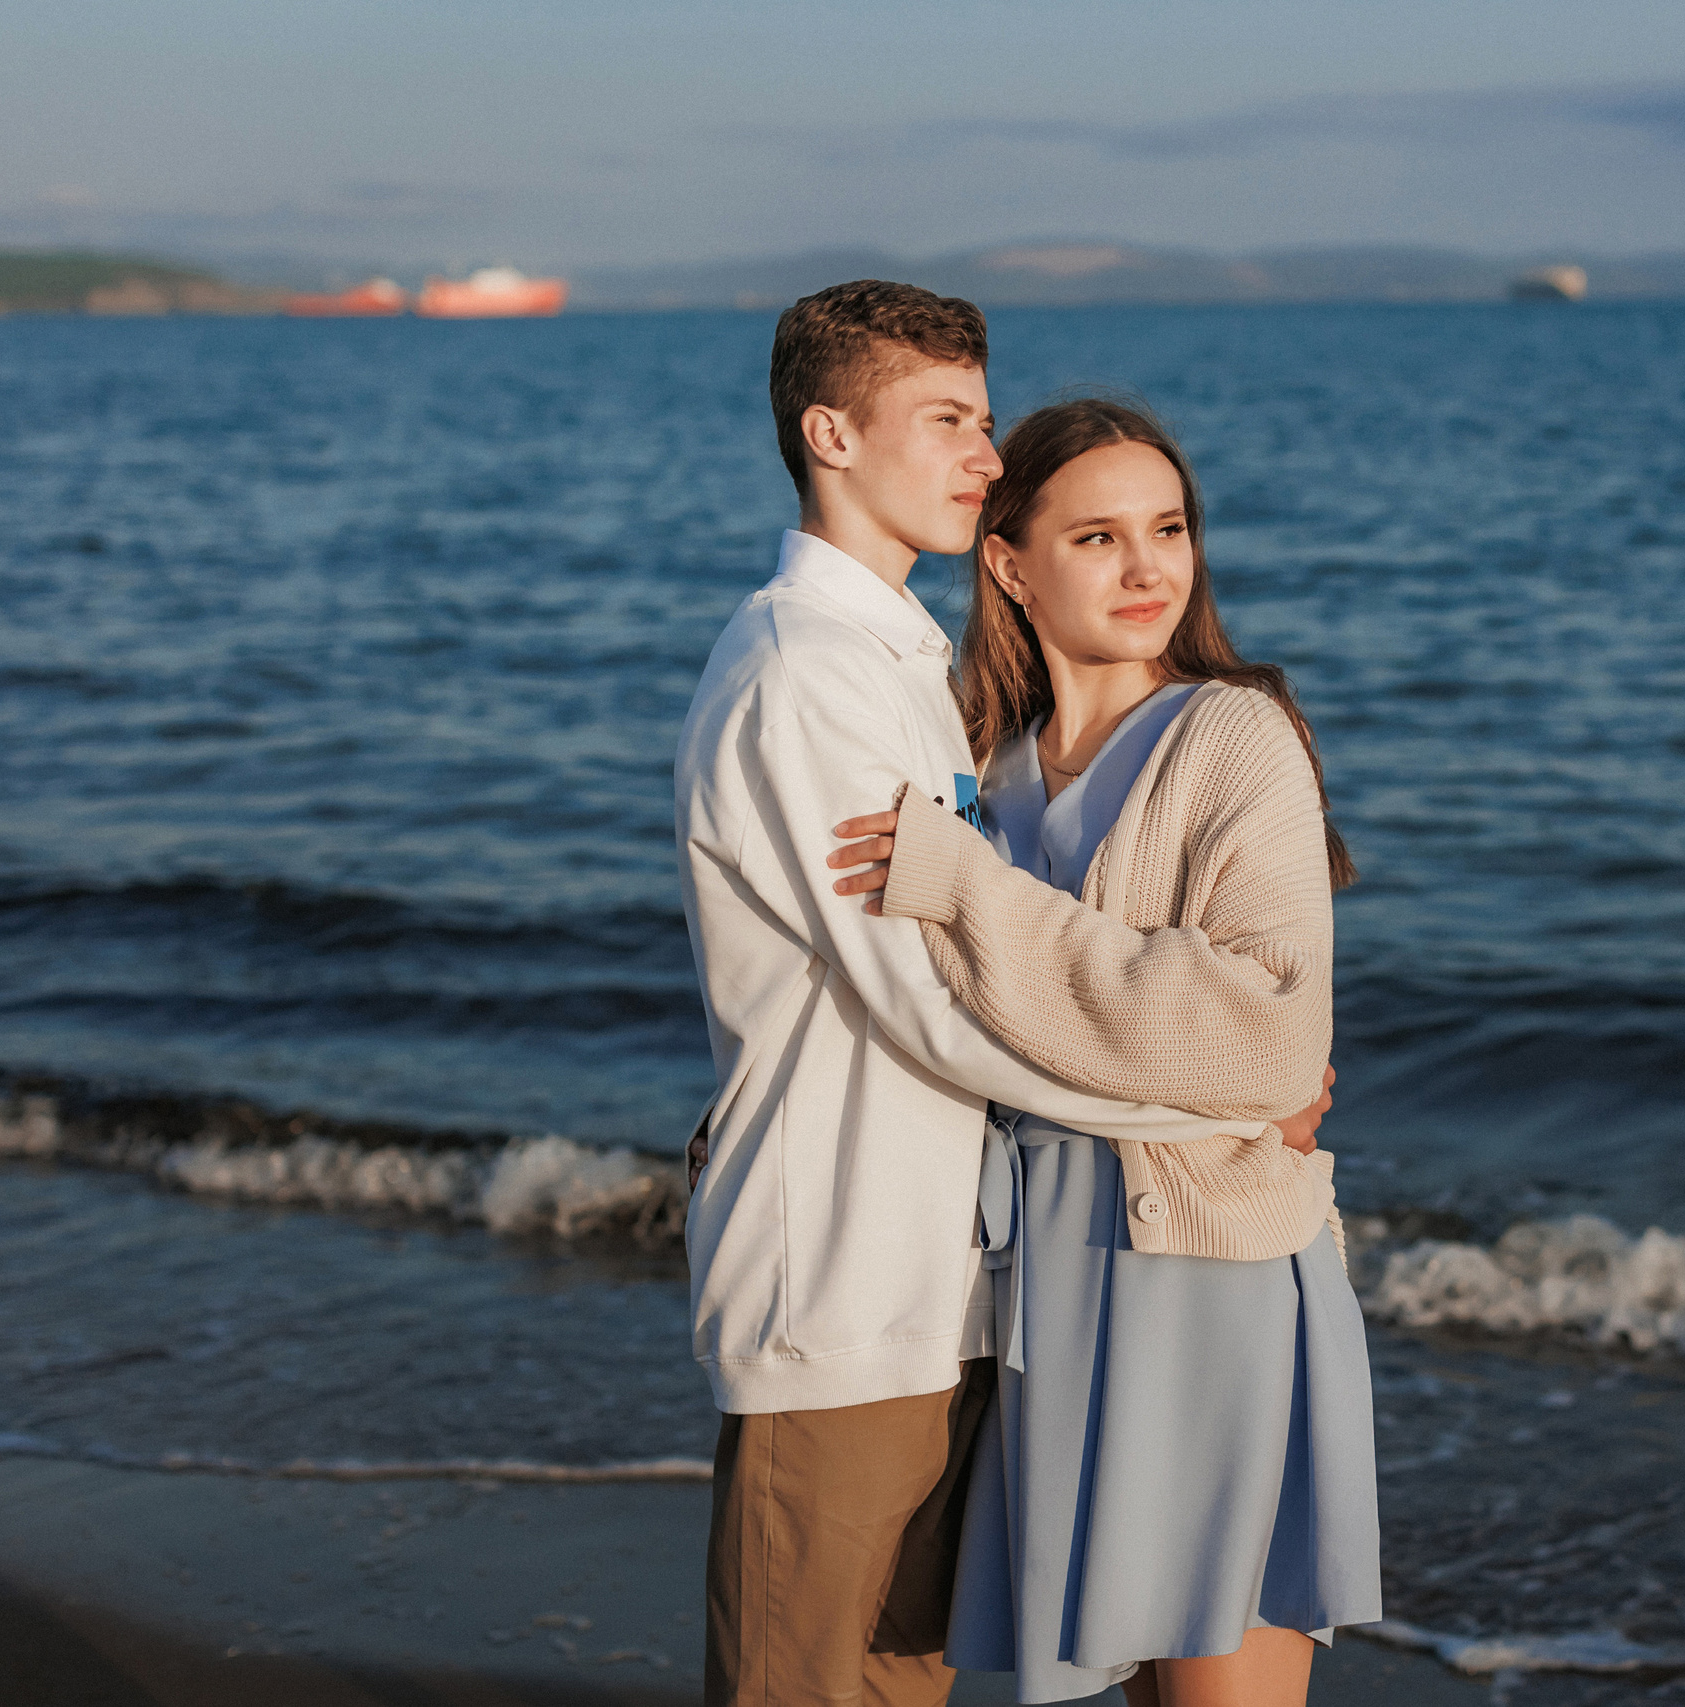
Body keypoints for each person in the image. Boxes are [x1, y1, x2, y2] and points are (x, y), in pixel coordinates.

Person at [675, 286, 1331, 1707]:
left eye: (985, 420)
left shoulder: (922, 676)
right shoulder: (822, 679)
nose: (980, 456)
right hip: (861, 1280)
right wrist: (1222, 1091)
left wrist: (1245, 1073)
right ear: (831, 434)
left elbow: (1015, 961)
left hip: (997, 1287)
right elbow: (931, 1005)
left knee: (915, 1679)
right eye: (950, 424)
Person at [826, 398, 1383, 1706]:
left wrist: (972, 897)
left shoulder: (1234, 737)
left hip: (1208, 1281)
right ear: (1009, 566)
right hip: (1042, 1297)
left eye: (1170, 529)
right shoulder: (973, 762)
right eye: (1099, 537)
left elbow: (1260, 1038)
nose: (1150, 569)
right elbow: (933, 1025)